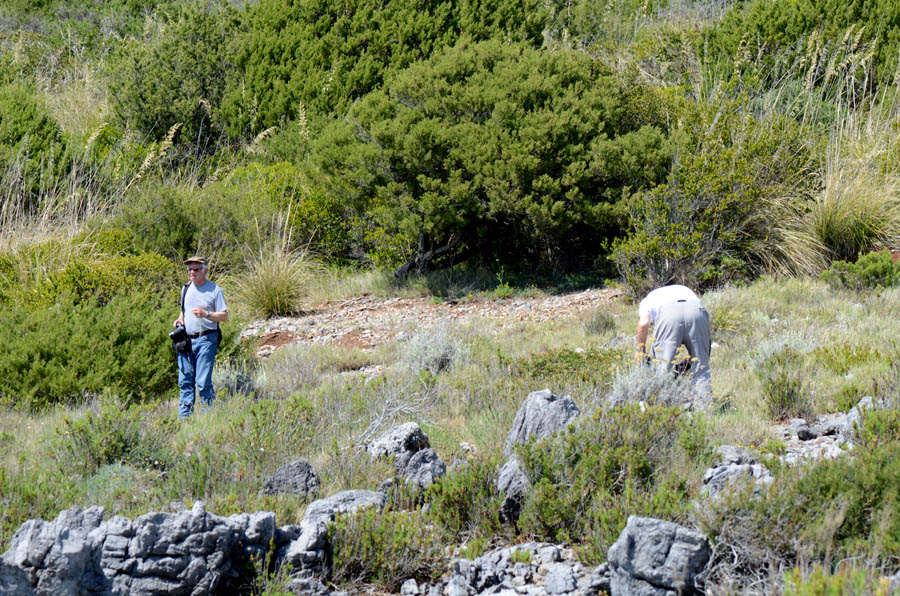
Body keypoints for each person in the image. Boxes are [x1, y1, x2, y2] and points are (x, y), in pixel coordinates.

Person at [173, 256, 228, 418]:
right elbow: (184, 309)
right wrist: (180, 319)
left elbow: (224, 316)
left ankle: (207, 418)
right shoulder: (186, 288)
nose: (191, 272)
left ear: (205, 270)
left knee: (203, 383)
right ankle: (184, 420)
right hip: (186, 340)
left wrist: (206, 314)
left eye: (196, 269)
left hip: (206, 339)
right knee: (185, 382)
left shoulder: (215, 290)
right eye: (189, 269)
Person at [635, 284, 711, 392]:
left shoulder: (646, 302)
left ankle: (665, 406)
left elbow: (643, 324)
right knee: (701, 370)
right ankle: (705, 406)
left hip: (668, 313)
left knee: (663, 371)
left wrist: (640, 351)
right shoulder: (683, 290)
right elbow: (704, 348)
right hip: (697, 310)